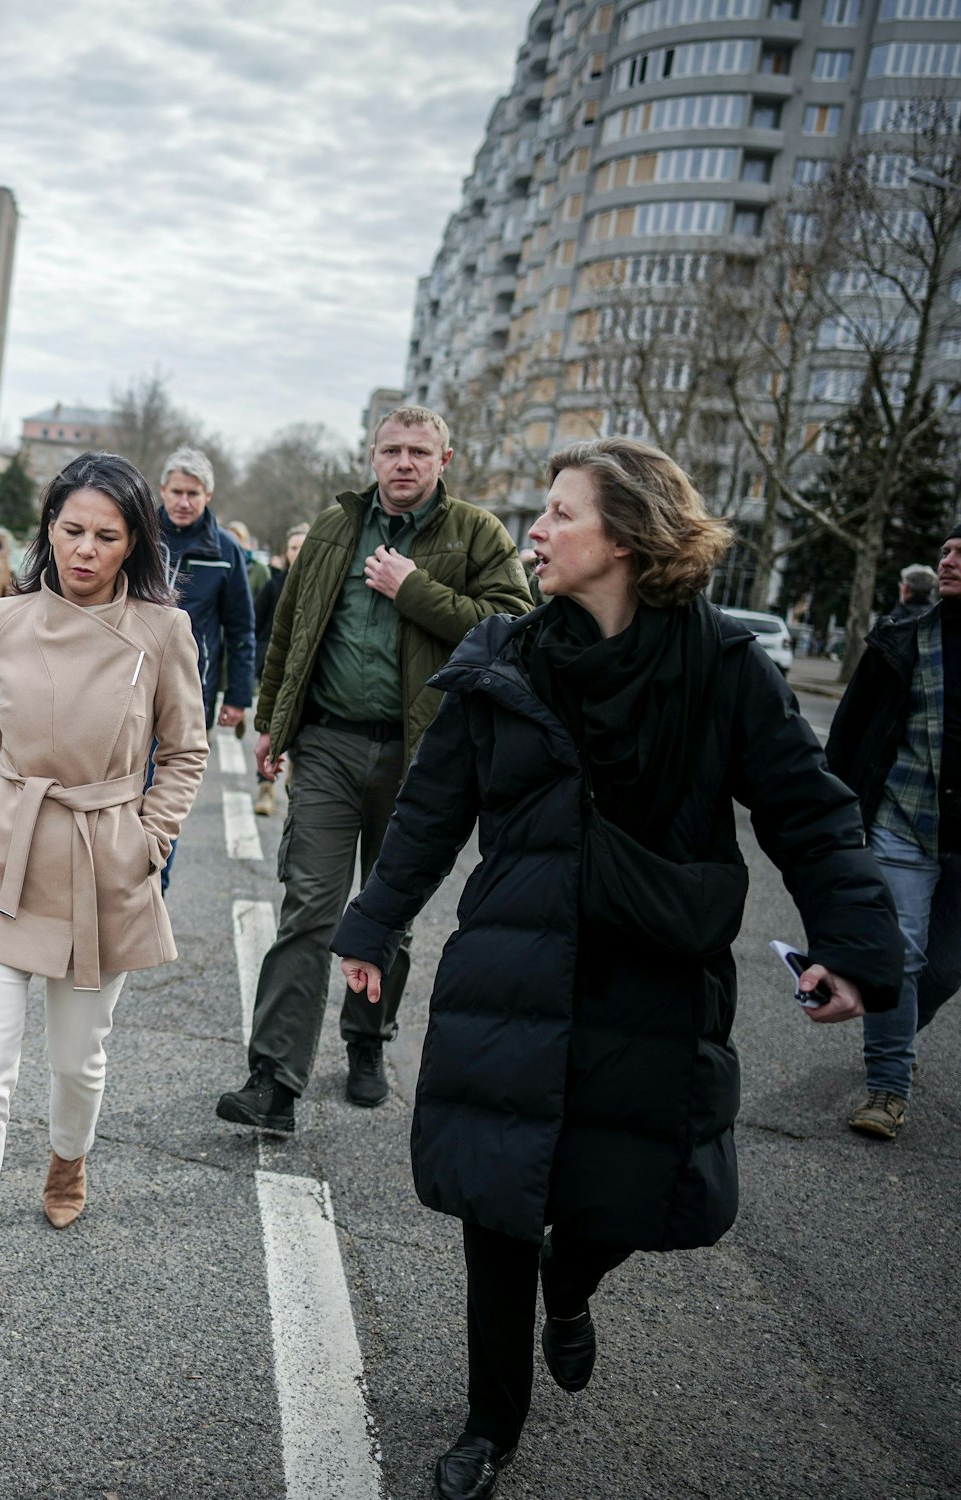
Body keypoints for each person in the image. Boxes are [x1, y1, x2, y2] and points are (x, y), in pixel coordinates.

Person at [330, 437, 901, 1500]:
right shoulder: (501, 656)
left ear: (628, 536)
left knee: (623, 1196)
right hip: (511, 964)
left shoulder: (724, 668)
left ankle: (572, 1281)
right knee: (496, 1199)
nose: (534, 531)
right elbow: (429, 808)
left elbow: (810, 816)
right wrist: (370, 929)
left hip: (651, 977)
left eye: (557, 513)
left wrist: (856, 949)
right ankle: (487, 1423)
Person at [0, 451, 208, 1366]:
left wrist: (148, 842)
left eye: (107, 535)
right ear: (48, 529)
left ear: (134, 543)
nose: (85, 549)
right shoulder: (3, 618)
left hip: (104, 861)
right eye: (72, 529)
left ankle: (69, 1155)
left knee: (78, 1062)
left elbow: (186, 750)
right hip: (5, 860)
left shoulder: (162, 631)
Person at [215, 407, 531, 1124]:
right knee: (310, 909)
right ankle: (274, 1080)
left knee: (388, 916)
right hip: (327, 743)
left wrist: (412, 588)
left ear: (446, 457)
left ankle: (366, 1039)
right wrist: (274, 721)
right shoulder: (334, 527)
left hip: (425, 756)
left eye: (420, 451)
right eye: (392, 449)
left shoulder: (476, 533)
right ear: (372, 455)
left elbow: (515, 627)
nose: (404, 463)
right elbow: (290, 627)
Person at [828, 523, 961, 1140]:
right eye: (947, 551)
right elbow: (850, 732)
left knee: (942, 970)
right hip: (901, 821)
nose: (950, 561)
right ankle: (888, 1086)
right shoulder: (901, 637)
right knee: (901, 955)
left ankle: (897, 1027)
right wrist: (833, 813)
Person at [156, 447, 253, 731]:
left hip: (195, 686)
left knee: (179, 771)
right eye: (177, 492)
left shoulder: (226, 551)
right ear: (163, 490)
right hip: (133, 680)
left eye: (193, 494)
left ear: (208, 495)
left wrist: (237, 696)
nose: (184, 502)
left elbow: (240, 628)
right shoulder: (139, 538)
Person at [250, 524, 309, 817]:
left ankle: (294, 780)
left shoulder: (321, 588)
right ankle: (265, 788)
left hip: (307, 675)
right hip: (273, 670)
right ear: (285, 553)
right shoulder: (273, 586)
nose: (298, 553)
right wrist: (259, 659)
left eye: (303, 546)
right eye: (293, 548)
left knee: (301, 729)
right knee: (271, 728)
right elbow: (256, 624)